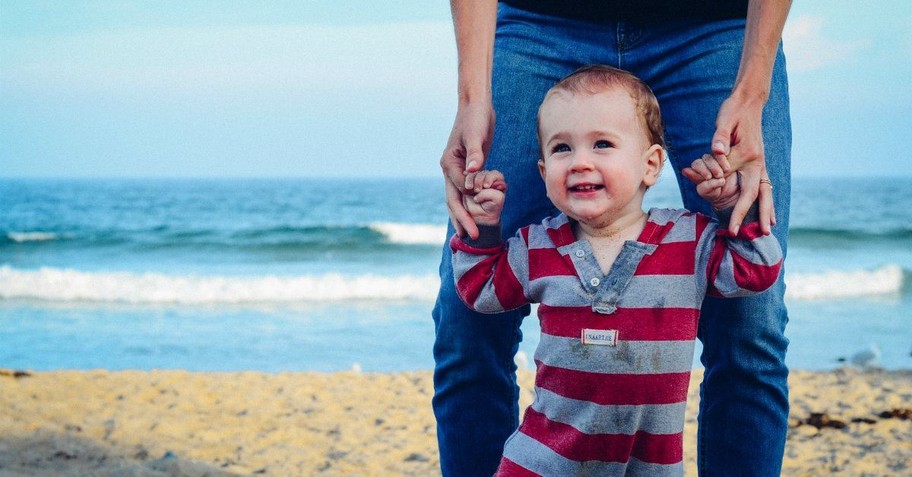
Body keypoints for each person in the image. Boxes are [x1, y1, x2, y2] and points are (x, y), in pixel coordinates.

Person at [433, 1, 792, 476]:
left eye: (601, 147)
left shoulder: (690, 243)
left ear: (652, 163)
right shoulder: (536, 251)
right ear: (545, 170)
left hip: (716, 25)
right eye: (563, 152)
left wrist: (751, 92)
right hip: (540, 24)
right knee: (466, 328)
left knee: (752, 327)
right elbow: (480, 286)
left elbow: (755, 267)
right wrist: (472, 97)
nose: (582, 162)